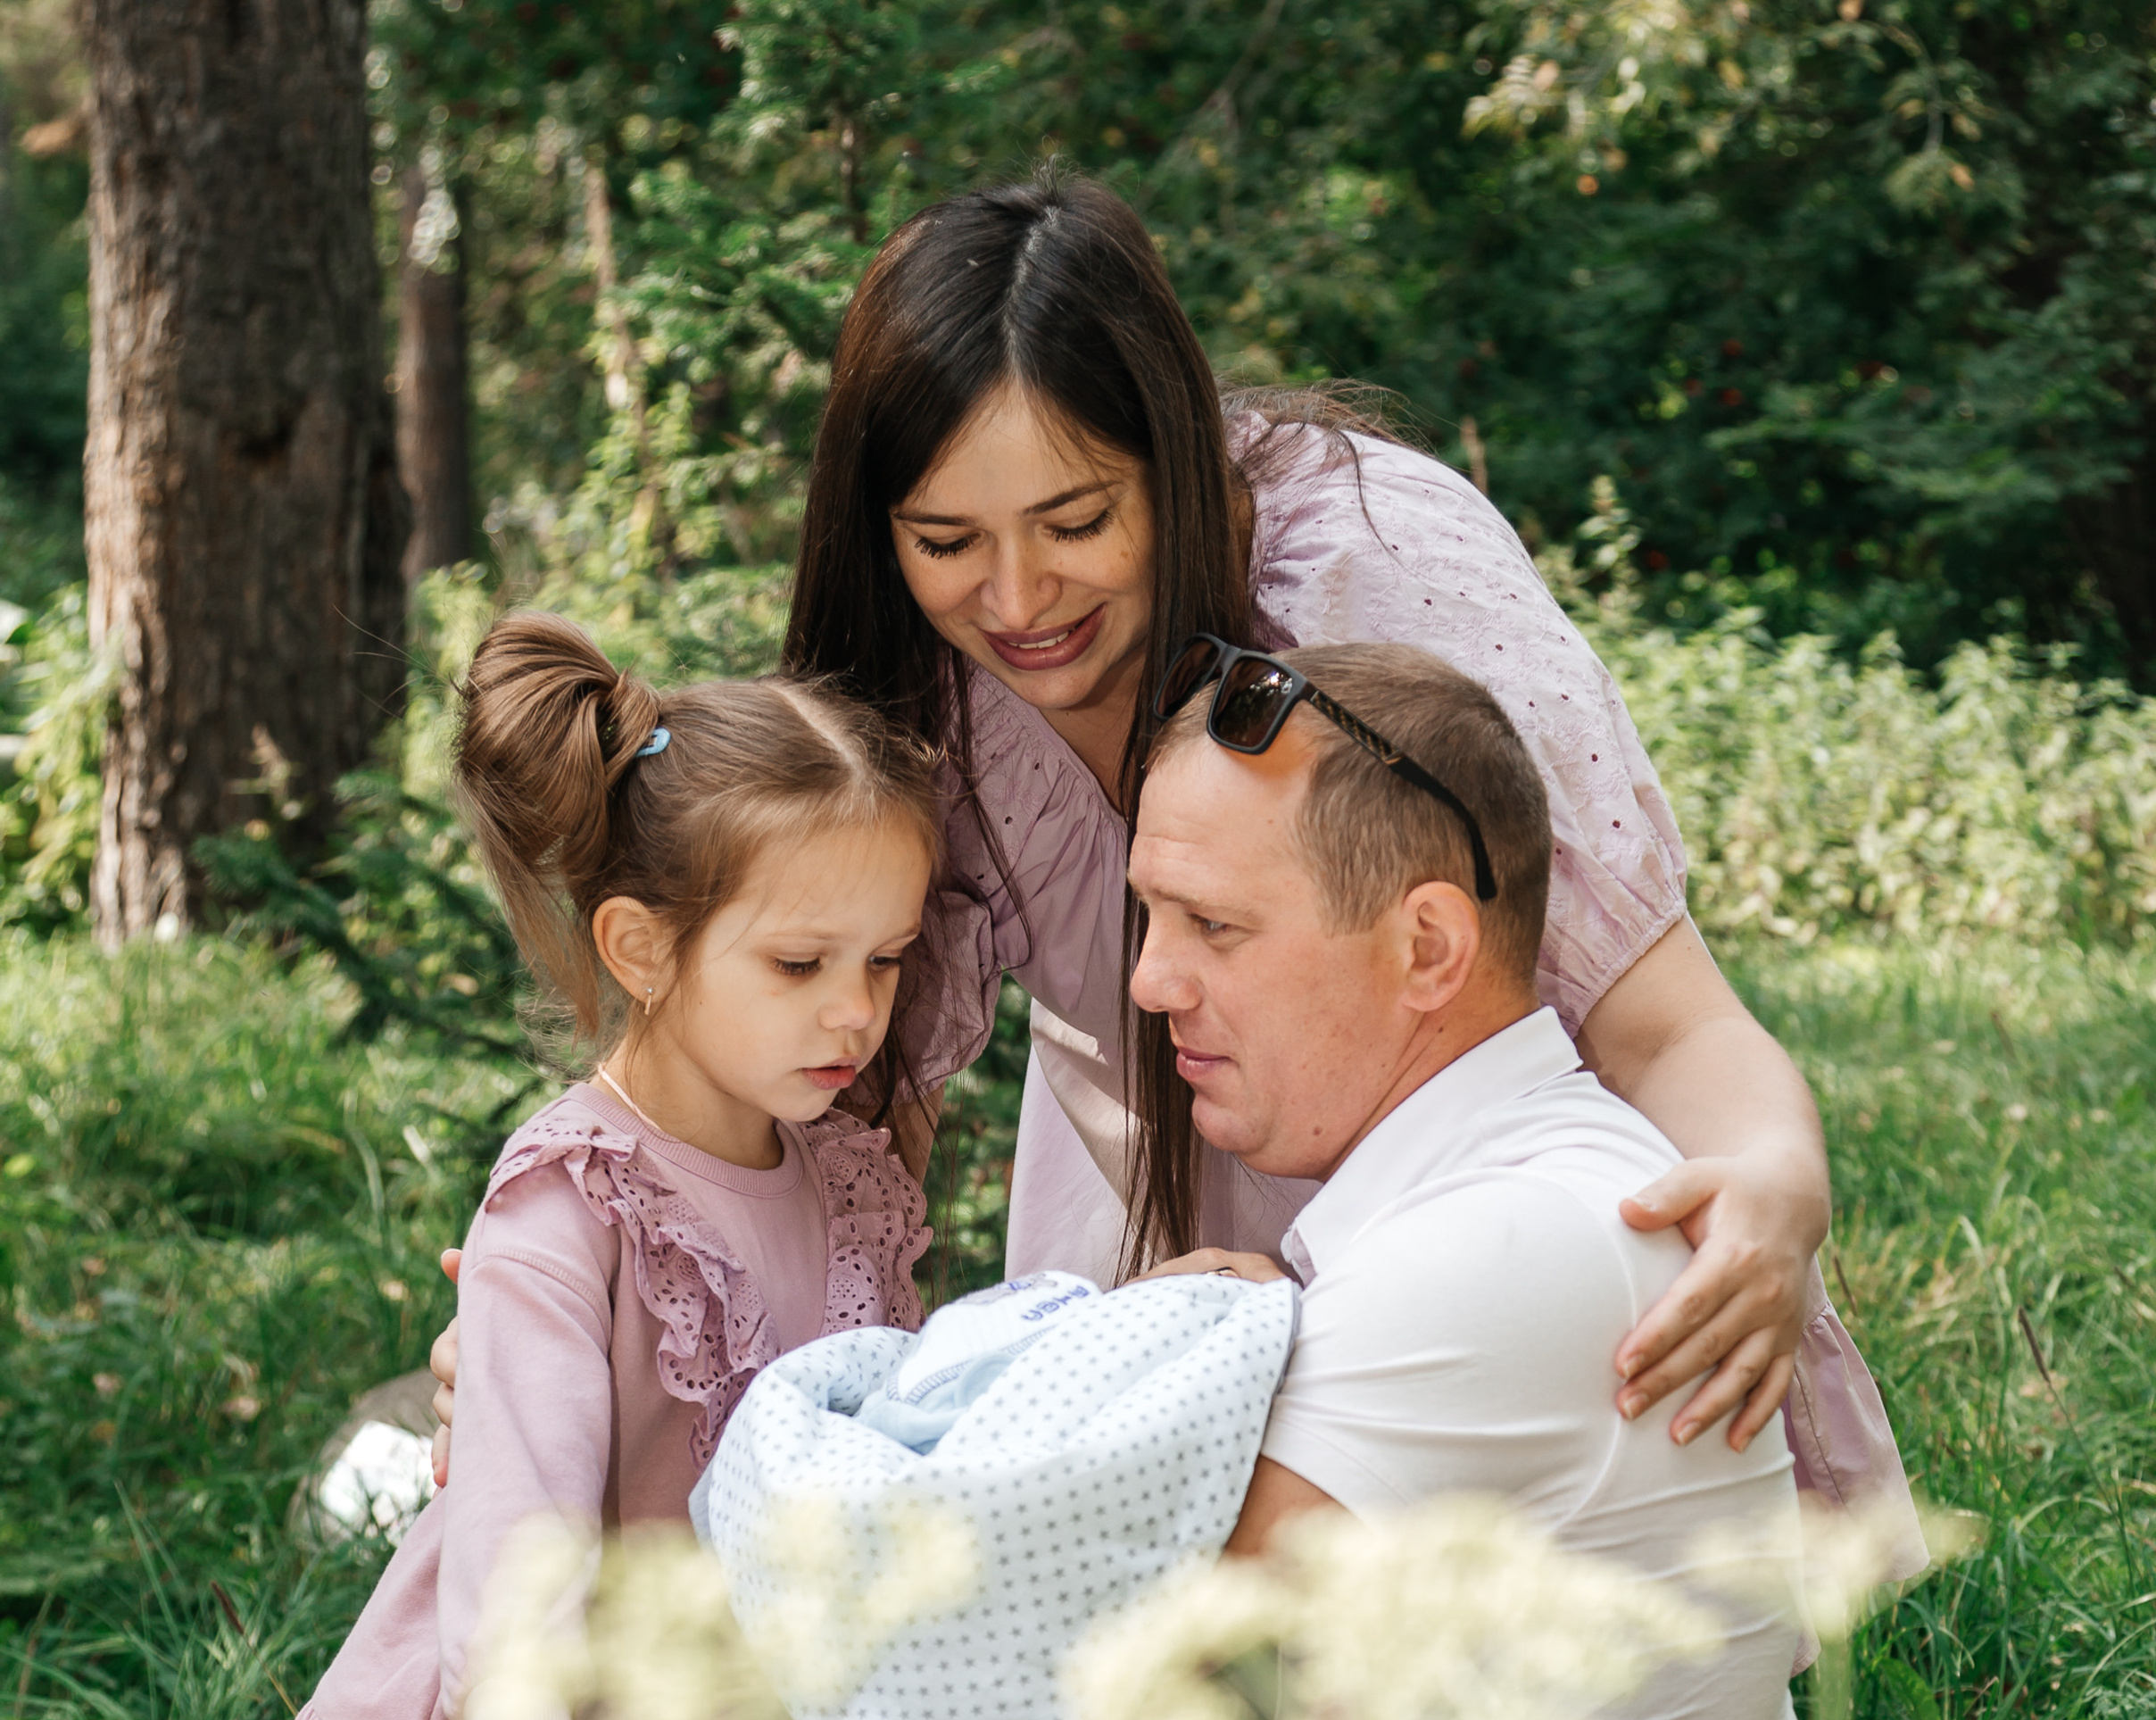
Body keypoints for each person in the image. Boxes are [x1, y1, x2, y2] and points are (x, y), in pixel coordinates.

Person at [609, 640, 1859, 1720]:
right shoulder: (1488, 1199)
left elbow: (1009, 1641)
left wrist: (629, 1400)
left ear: (1427, 943)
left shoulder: (1510, 1253)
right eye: (1150, 917)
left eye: (1215, 928)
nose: (1148, 981)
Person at [429, 169, 1916, 1548]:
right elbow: (833, 1095)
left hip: (1470, 1247)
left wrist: (1776, 1181)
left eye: (1076, 521)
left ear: (1182, 463)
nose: (1017, 601)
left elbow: (1665, 1015)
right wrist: (577, 1307)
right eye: (948, 541)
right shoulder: (915, 698)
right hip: (1160, 1233)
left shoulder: (1371, 584)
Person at [184, 614, 936, 1720]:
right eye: (801, 965)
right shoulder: (569, 1199)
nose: (856, 1013)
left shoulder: (845, 1176)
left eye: (883, 962)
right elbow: (518, 1519)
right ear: (644, 947)